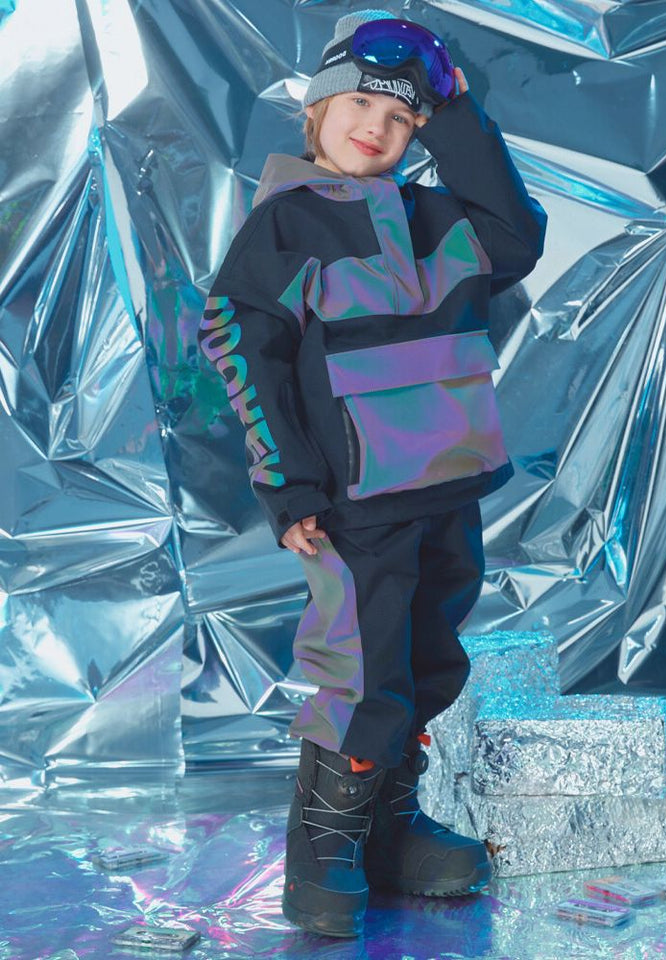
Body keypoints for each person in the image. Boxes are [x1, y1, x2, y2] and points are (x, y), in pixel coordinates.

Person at [198, 9, 547, 939]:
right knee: (360, 667)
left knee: (428, 661)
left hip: (448, 485)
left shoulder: (440, 220)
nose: (375, 128)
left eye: (401, 118)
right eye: (358, 104)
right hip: (353, 503)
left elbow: (516, 237)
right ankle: (325, 848)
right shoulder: (287, 223)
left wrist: (459, 116)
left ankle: (390, 828)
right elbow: (245, 348)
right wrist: (288, 486)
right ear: (316, 109)